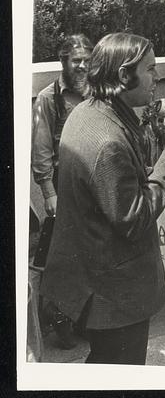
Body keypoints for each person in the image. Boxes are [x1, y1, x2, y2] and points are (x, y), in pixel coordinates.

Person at [40, 33, 165, 365]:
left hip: (93, 282)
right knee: (120, 368)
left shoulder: (87, 112)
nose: (157, 77)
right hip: (114, 295)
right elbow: (133, 219)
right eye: (150, 70)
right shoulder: (107, 140)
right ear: (124, 76)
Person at [31, 34, 94, 349]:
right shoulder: (49, 97)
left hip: (91, 185)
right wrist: (48, 193)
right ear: (64, 62)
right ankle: (57, 320)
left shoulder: (96, 93)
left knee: (88, 255)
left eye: (86, 60)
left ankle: (82, 317)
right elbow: (41, 150)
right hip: (62, 185)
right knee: (60, 258)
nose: (82, 66)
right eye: (75, 60)